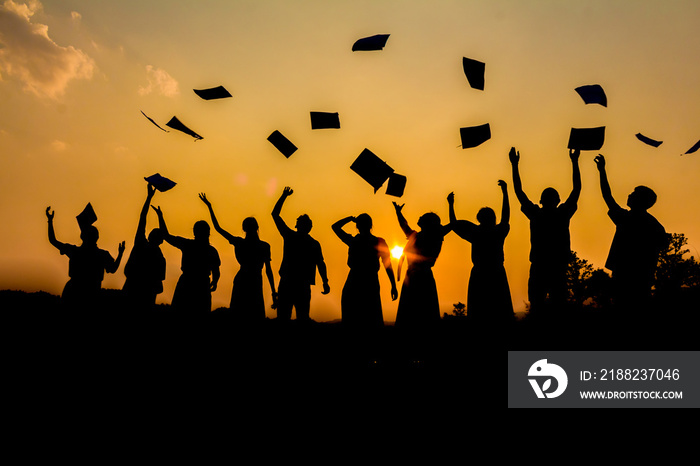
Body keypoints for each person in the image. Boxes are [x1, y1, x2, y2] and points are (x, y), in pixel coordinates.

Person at [510, 146, 581, 317]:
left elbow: (519, 192)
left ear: (541, 200)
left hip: (543, 266)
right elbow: (577, 189)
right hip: (555, 266)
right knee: (557, 306)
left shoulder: (536, 214)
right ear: (558, 200)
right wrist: (574, 162)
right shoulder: (561, 213)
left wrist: (514, 165)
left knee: (539, 308)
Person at [594, 154, 667, 313]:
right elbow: (663, 244)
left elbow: (607, 196)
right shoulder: (654, 224)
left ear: (639, 200)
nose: (629, 195)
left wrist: (601, 171)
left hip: (625, 276)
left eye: (633, 194)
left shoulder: (626, 218)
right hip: (643, 278)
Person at [199, 193, 276, 323]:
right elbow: (268, 270)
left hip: (248, 279)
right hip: (252, 280)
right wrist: (274, 291)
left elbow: (218, 229)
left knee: (240, 313)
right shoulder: (261, 246)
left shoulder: (242, 243)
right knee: (251, 313)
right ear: (256, 227)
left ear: (244, 228)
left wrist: (209, 207)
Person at [448, 181, 514, 323]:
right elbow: (506, 216)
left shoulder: (476, 232)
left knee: (479, 312)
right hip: (495, 273)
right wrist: (505, 193)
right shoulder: (497, 232)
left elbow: (454, 224)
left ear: (479, 218)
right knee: (499, 311)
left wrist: (450, 205)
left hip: (481, 274)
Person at [46, 206, 125, 313]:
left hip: (73, 292)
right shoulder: (102, 254)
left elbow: (53, 240)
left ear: (82, 236)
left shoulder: (75, 251)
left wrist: (50, 221)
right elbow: (113, 269)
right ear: (97, 238)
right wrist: (120, 254)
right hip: (92, 294)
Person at [271, 187, 330, 322]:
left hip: (289, 283)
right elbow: (320, 263)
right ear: (309, 227)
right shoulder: (313, 243)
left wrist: (284, 196)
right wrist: (325, 281)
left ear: (298, 226)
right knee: (301, 318)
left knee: (284, 318)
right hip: (300, 285)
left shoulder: (290, 236)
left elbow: (275, 214)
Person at [332, 213, 398, 330]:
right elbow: (387, 265)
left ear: (357, 226)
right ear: (371, 225)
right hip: (366, 281)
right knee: (370, 317)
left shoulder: (354, 241)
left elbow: (335, 227)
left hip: (356, 281)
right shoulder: (378, 242)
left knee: (355, 318)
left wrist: (349, 219)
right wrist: (393, 285)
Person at [152, 205, 220, 317]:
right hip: (201, 285)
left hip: (187, 283)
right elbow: (216, 271)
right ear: (208, 233)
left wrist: (160, 216)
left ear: (195, 232)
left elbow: (166, 236)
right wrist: (215, 282)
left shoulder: (187, 245)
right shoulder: (211, 251)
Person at [393, 201, 452, 329]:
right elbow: (405, 226)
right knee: (409, 312)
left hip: (422, 276)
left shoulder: (434, 237)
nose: (419, 218)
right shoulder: (416, 236)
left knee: (422, 311)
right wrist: (398, 213)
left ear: (427, 223)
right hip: (412, 276)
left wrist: (450, 205)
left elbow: (451, 225)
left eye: (422, 217)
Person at [122, 182, 166, 312]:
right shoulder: (159, 255)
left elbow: (142, 218)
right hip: (145, 293)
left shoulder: (141, 244)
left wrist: (148, 198)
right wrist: (160, 216)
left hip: (133, 288)